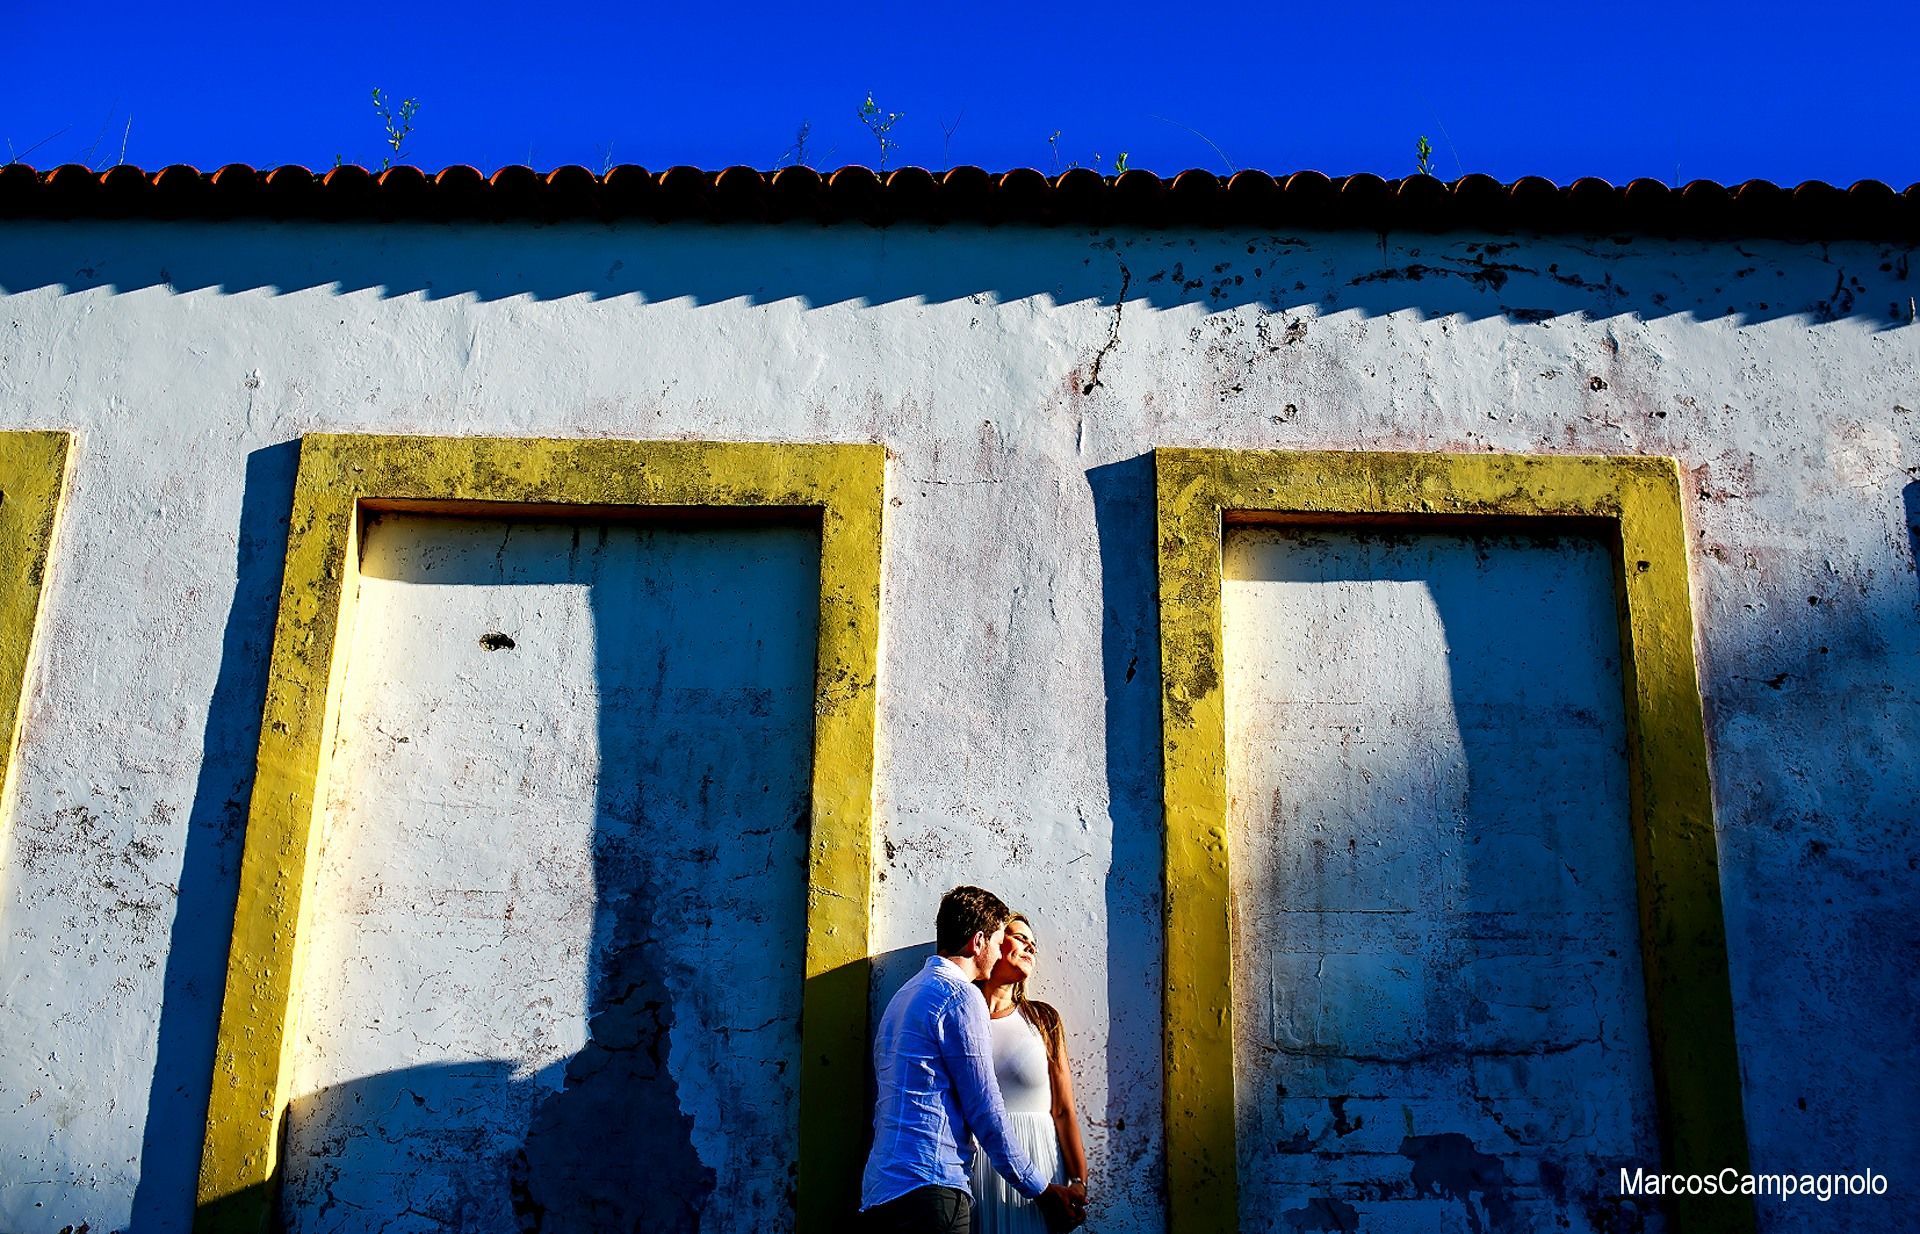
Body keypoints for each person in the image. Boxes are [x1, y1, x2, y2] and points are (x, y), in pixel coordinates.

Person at [861, 886, 1088, 1234]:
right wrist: (1042, 1191)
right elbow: (985, 1111)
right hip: (933, 1189)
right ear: (978, 942)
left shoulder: (902, 996)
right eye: (999, 941)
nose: (998, 953)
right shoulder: (961, 996)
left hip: (881, 1192)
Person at [969, 913, 1090, 1234]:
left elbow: (1063, 1109)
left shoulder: (1043, 1019)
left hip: (1041, 1168)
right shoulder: (962, 1015)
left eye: (1033, 944)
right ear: (994, 941)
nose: (1031, 947)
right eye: (1021, 938)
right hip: (977, 1171)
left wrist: (1079, 1181)